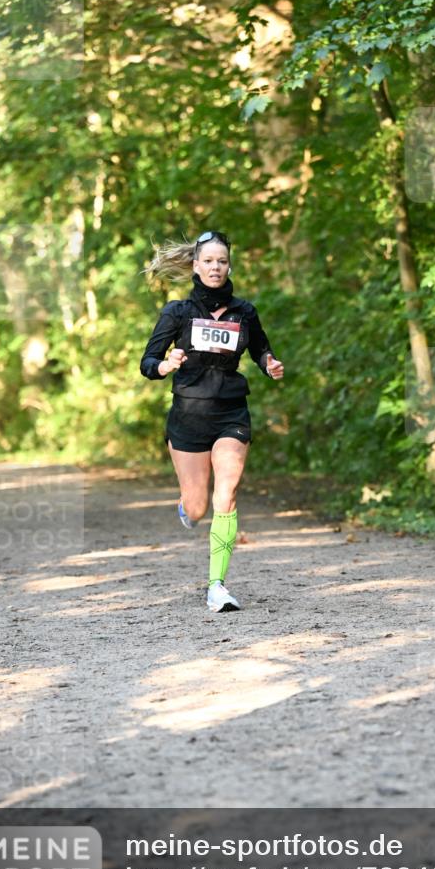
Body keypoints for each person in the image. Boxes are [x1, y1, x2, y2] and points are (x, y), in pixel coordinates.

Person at [140, 230, 284, 612]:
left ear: (229, 266)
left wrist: (269, 364)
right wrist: (165, 364)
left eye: (222, 261)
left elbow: (261, 351)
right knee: (199, 506)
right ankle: (187, 505)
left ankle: (217, 585)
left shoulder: (244, 312)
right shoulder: (178, 312)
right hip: (188, 414)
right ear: (195, 266)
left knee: (228, 493)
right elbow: (147, 363)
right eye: (208, 261)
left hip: (231, 413)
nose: (215, 267)